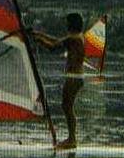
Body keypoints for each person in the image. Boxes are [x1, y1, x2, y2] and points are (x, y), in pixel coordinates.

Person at [33, 13, 86, 150]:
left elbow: (53, 47)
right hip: (75, 77)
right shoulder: (76, 37)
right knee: (67, 106)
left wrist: (38, 39)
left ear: (72, 24)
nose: (66, 25)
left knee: (67, 107)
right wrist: (39, 34)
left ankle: (72, 140)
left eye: (67, 23)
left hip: (74, 77)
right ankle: (71, 138)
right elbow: (57, 40)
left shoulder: (74, 38)